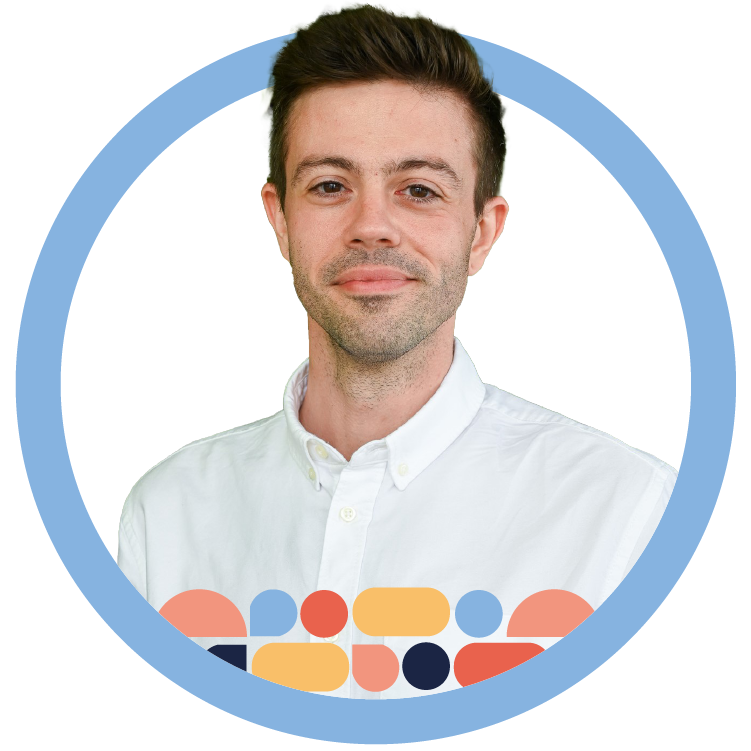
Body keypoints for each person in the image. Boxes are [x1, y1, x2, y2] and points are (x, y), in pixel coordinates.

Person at [117, 2, 676, 698]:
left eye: (418, 189)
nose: (372, 226)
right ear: (280, 220)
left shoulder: (630, 517)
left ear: (481, 232)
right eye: (329, 186)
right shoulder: (166, 516)